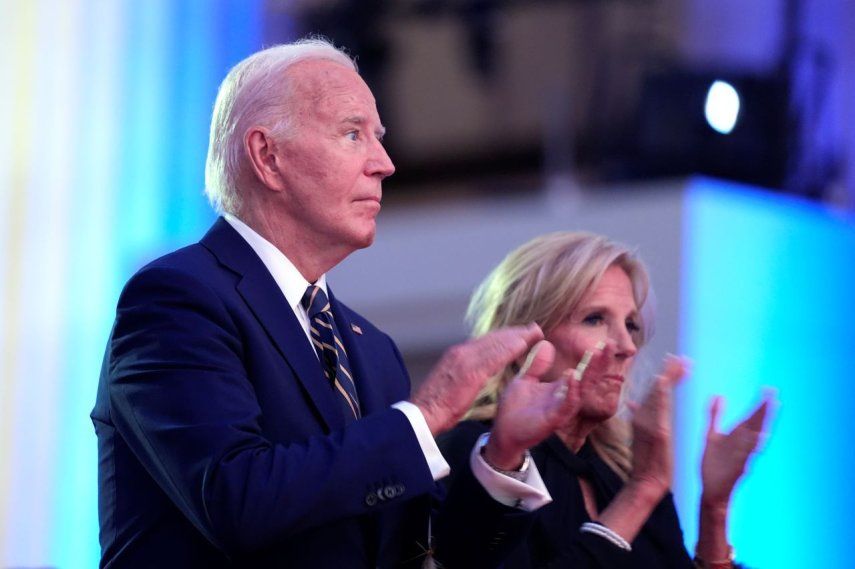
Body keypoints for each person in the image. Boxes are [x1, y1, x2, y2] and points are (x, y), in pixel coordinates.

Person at [91, 38, 579, 568]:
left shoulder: (374, 350)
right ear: (267, 156)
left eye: (379, 138)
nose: (386, 164)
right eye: (352, 134)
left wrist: (501, 454)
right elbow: (236, 501)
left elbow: (419, 551)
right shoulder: (177, 298)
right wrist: (429, 411)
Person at [438, 231, 775, 568]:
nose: (627, 346)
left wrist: (714, 509)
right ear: (524, 338)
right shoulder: (480, 455)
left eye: (630, 324)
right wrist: (640, 494)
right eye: (595, 319)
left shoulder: (622, 466)